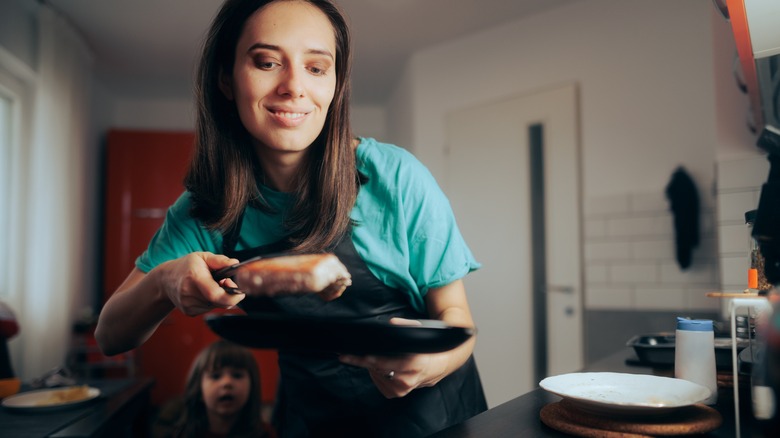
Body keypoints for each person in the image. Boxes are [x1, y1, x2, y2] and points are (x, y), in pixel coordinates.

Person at [95, 0, 487, 436]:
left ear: (336, 84)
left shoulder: (394, 179)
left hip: (435, 414)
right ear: (226, 78)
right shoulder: (206, 208)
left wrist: (431, 364)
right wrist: (164, 281)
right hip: (310, 416)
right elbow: (111, 335)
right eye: (267, 62)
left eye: (317, 68)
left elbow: (457, 319)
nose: (294, 86)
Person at [152, 340, 274, 438]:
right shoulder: (178, 433)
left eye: (237, 375)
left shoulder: (265, 434)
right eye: (215, 376)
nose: (227, 383)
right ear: (198, 390)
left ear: (252, 386)